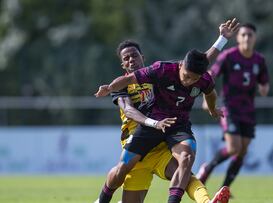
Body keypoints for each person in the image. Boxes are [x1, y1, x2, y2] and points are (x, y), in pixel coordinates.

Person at [95, 19, 240, 203]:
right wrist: (110, 88)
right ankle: (101, 201)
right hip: (138, 143)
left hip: (163, 144)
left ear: (143, 57)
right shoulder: (124, 85)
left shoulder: (159, 73)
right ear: (123, 64)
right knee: (121, 173)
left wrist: (222, 39)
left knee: (186, 171)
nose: (131, 60)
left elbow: (198, 63)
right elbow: (129, 111)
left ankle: (207, 202)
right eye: (126, 58)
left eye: (135, 56)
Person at [196, 23, 270, 196]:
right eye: (243, 35)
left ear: (254, 38)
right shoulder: (229, 56)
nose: (246, 38)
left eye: (250, 35)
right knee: (234, 147)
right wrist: (208, 98)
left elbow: (264, 81)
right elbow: (211, 75)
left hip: (248, 111)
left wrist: (264, 87)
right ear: (238, 38)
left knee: (242, 151)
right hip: (230, 108)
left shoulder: (259, 60)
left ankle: (225, 189)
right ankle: (207, 168)